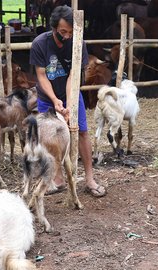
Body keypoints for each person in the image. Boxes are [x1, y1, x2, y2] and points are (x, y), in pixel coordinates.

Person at [29, 5, 106, 197]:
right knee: (49, 137)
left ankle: (89, 179)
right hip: (47, 97)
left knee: (81, 132)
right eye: (63, 31)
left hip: (70, 92)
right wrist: (55, 100)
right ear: (54, 28)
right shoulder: (40, 44)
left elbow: (74, 74)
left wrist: (69, 103)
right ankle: (58, 178)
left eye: (71, 31)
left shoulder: (78, 43)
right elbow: (42, 75)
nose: (68, 35)